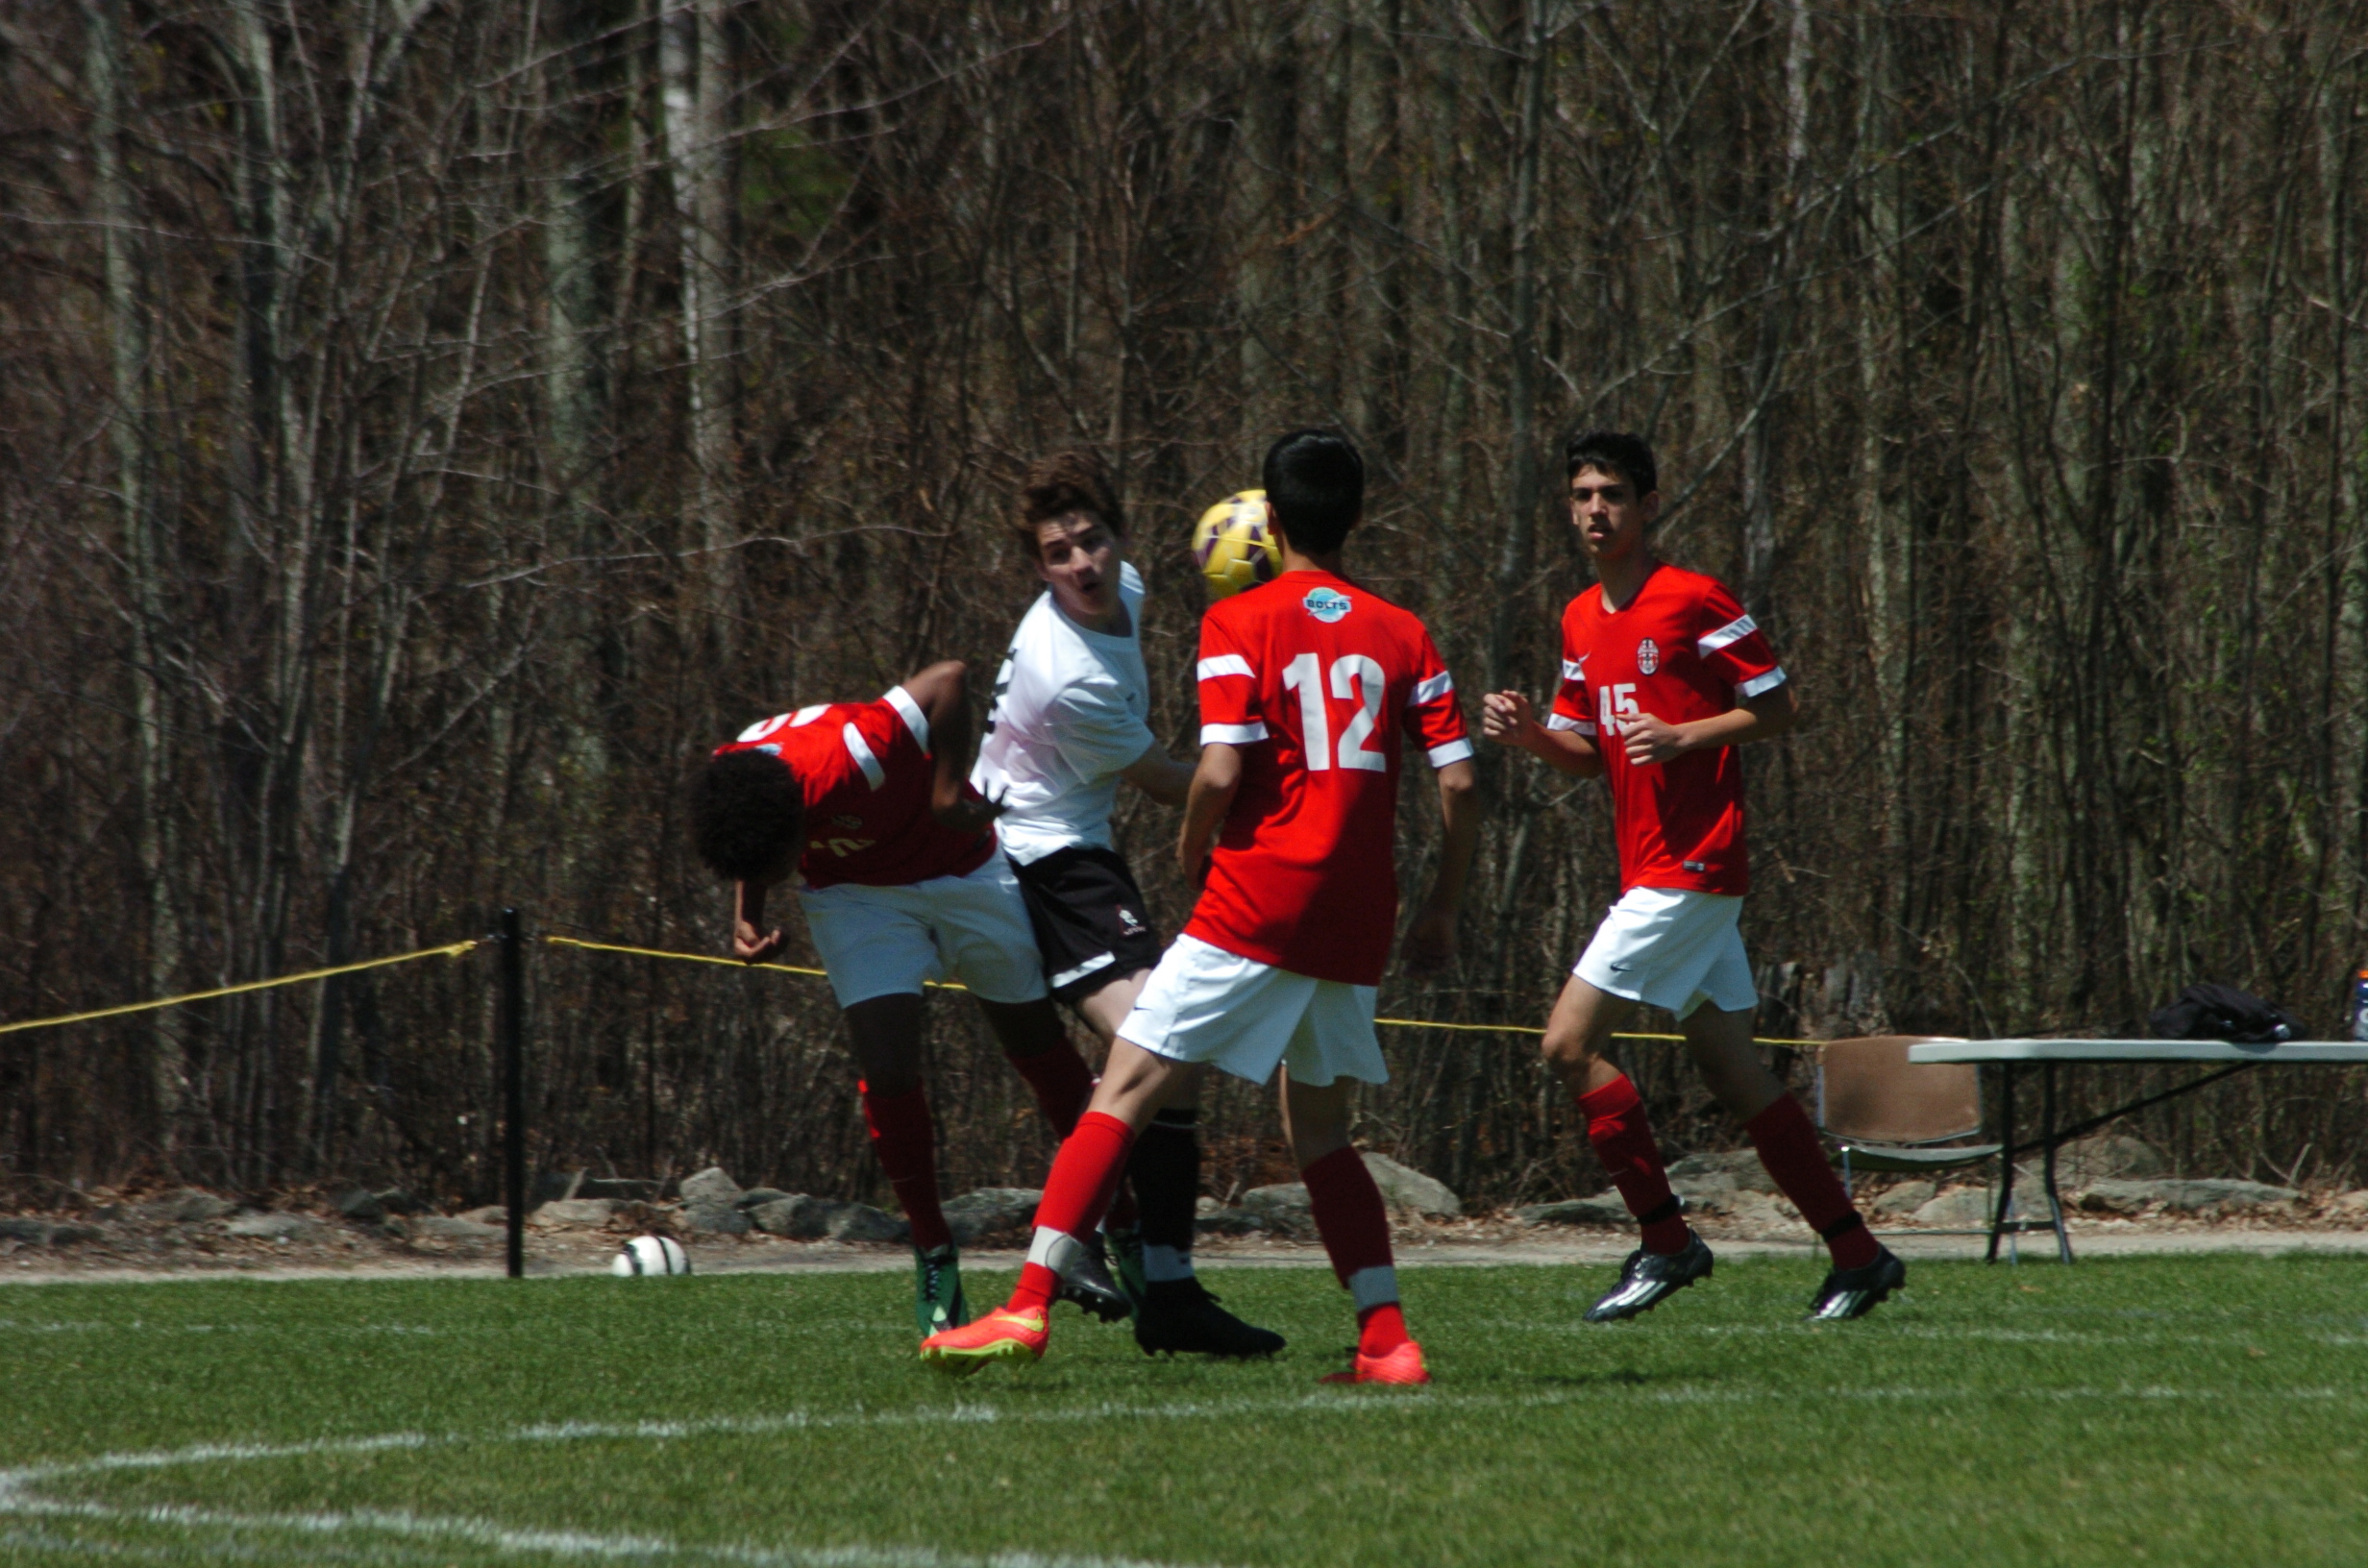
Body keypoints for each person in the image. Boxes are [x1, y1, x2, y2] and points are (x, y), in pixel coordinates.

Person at [920, 428, 1482, 1385]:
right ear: (1356, 517)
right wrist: (1440, 910)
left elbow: (1218, 771)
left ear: (1269, 518)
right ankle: (1387, 1341)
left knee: (1128, 1083)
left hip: (1260, 895)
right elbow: (1461, 784)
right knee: (1321, 1129)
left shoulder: (1240, 620)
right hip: (1359, 913)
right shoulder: (1404, 630)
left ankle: (1027, 1305)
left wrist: (1192, 848)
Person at [1481, 429, 1904, 1324]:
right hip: (1655, 868)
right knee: (1734, 1071)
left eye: (1613, 495)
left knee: (1566, 1045)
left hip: (1694, 864)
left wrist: (1687, 735)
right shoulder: (1578, 617)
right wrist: (1530, 737)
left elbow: (1780, 707)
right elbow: (1587, 755)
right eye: (1583, 495)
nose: (1596, 510)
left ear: (1647, 506)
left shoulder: (1695, 598)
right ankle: (1859, 1256)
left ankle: (1666, 1240)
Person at [689, 660, 1110, 1340]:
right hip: (858, 897)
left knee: (1034, 1043)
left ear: (797, 814)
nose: (775, 874)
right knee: (886, 1068)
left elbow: (949, 678)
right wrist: (749, 912)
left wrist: (945, 795)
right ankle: (934, 1250)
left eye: (774, 864)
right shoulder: (738, 789)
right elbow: (752, 837)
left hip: (961, 866)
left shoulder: (849, 753)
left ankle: (1117, 1228)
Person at [973, 450, 1286, 1359]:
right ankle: (1090, 1246)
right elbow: (1166, 780)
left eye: (1092, 540)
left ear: (1118, 536)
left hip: (1080, 849)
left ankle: (1163, 1283)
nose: (1082, 564)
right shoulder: (1070, 673)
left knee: (1168, 1053)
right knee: (1162, 1038)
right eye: (1058, 553)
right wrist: (1274, 782)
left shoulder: (1130, 587)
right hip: (1044, 859)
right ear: (1038, 568)